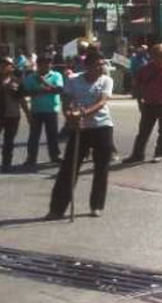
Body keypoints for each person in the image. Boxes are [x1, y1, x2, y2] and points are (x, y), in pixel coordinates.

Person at [47, 52, 116, 219]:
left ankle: (96, 205)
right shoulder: (74, 80)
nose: (101, 67)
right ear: (88, 66)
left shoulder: (106, 80)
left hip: (102, 127)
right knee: (69, 168)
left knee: (101, 168)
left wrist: (83, 113)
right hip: (79, 129)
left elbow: (101, 102)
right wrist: (70, 115)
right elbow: (67, 101)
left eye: (103, 64)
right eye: (98, 64)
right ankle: (57, 208)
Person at [125, 44, 162, 164]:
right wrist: (139, 102)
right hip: (148, 105)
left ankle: (159, 153)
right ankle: (137, 155)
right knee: (143, 132)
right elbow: (137, 86)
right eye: (160, 54)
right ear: (152, 55)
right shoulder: (144, 69)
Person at [21, 55, 64, 167]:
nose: (48, 65)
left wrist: (44, 83)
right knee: (34, 136)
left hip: (51, 109)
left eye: (49, 63)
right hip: (36, 110)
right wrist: (39, 91)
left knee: (52, 135)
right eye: (45, 63)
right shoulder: (31, 77)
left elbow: (59, 90)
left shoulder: (56, 75)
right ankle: (31, 158)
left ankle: (55, 156)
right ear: (39, 65)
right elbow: (24, 92)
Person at [0, 57, 30, 172]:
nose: (4, 66)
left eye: (7, 64)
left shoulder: (17, 81)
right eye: (2, 64)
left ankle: (6, 164)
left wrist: (28, 115)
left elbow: (22, 99)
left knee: (9, 141)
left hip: (13, 115)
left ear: (12, 67)